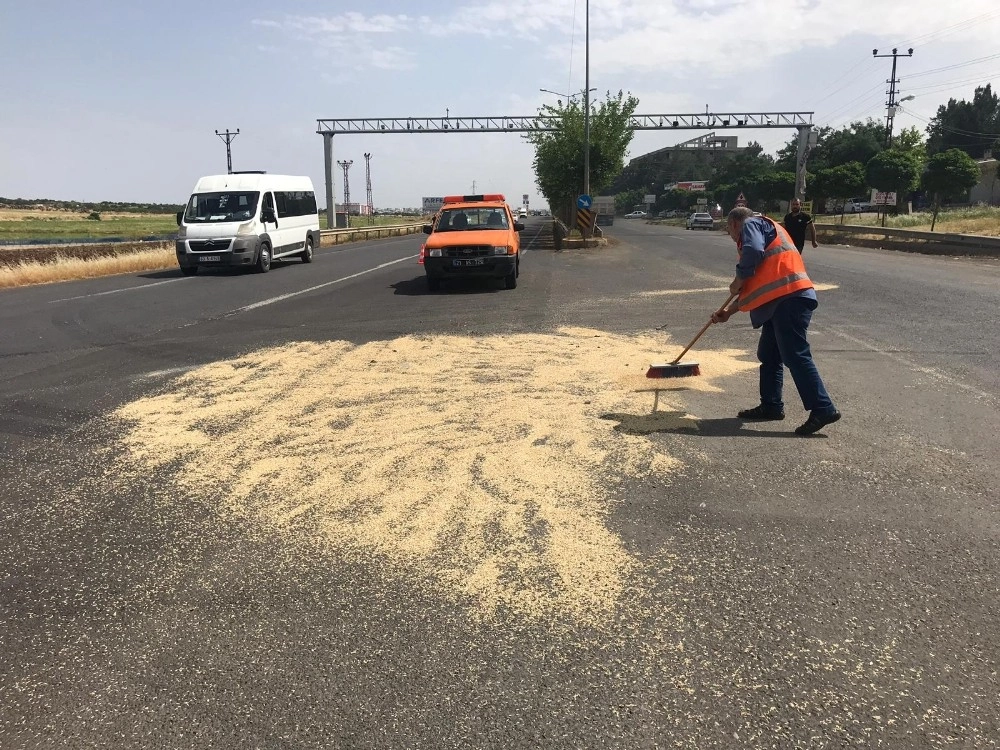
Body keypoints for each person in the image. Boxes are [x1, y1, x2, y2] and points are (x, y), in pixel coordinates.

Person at [710, 206, 841, 436]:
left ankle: (823, 407)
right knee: (769, 354)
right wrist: (728, 312)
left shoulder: (752, 224)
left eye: (731, 234)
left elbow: (752, 253)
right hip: (778, 302)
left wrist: (738, 278)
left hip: (790, 299)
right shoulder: (768, 228)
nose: (733, 239)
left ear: (733, 224)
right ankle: (771, 405)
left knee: (795, 354)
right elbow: (759, 285)